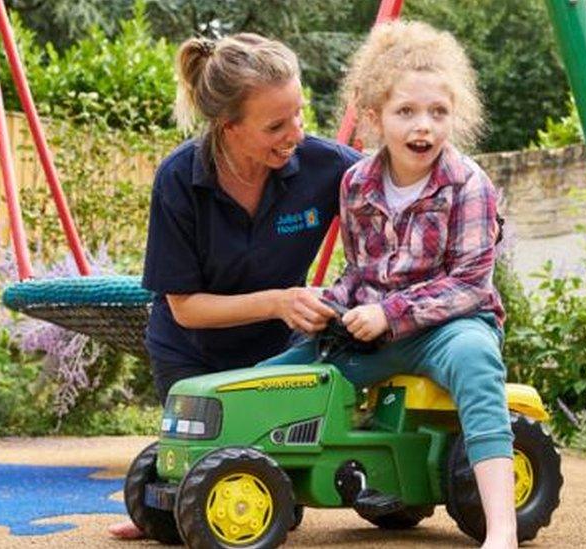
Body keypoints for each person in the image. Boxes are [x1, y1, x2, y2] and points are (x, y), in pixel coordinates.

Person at [259, 20, 517, 549]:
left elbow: (470, 283)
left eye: (437, 112)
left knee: (476, 361)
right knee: (281, 373)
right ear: (375, 117)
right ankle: (230, 482)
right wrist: (330, 303)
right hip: (381, 334)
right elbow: (361, 273)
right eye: (406, 112)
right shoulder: (356, 184)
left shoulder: (468, 183)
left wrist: (390, 313)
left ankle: (503, 528)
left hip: (452, 326)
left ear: (455, 114)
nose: (423, 126)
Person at [107, 33, 362, 540]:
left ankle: (190, 497)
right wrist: (279, 301)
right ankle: (175, 498)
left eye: (298, 112)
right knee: (212, 483)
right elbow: (185, 309)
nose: (296, 131)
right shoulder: (179, 179)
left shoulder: (328, 165)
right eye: (276, 124)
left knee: (278, 502)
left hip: (277, 353)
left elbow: (400, 191)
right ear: (229, 127)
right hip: (192, 353)